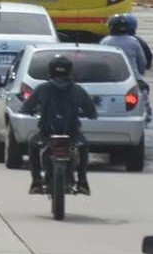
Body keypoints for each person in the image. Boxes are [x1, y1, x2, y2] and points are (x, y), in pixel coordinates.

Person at [22, 55, 98, 196]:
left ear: (50, 71)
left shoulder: (42, 88)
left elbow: (27, 107)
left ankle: (36, 182)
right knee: (84, 147)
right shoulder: (77, 90)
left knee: (33, 146)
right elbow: (91, 110)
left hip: (46, 134)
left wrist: (27, 110)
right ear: (69, 71)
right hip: (72, 134)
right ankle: (82, 182)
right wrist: (90, 114)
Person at [101, 14, 152, 123]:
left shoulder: (105, 41)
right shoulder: (133, 41)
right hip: (133, 78)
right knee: (144, 98)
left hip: (109, 77)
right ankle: (147, 118)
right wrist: (140, 74)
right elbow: (142, 61)